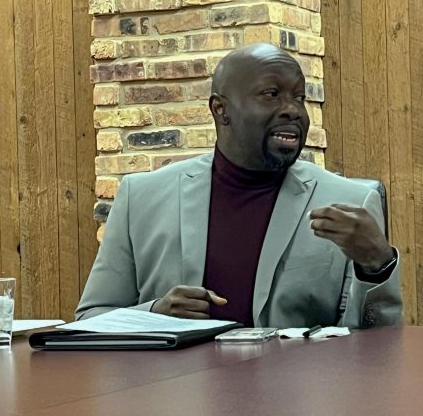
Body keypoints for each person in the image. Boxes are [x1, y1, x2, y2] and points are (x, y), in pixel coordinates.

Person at [76, 43, 402, 329]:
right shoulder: (141, 198)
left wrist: (377, 266)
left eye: (299, 98)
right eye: (271, 95)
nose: (293, 110)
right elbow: (91, 320)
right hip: (174, 395)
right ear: (221, 109)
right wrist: (154, 314)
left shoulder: (351, 203)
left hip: (298, 395)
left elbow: (379, 343)